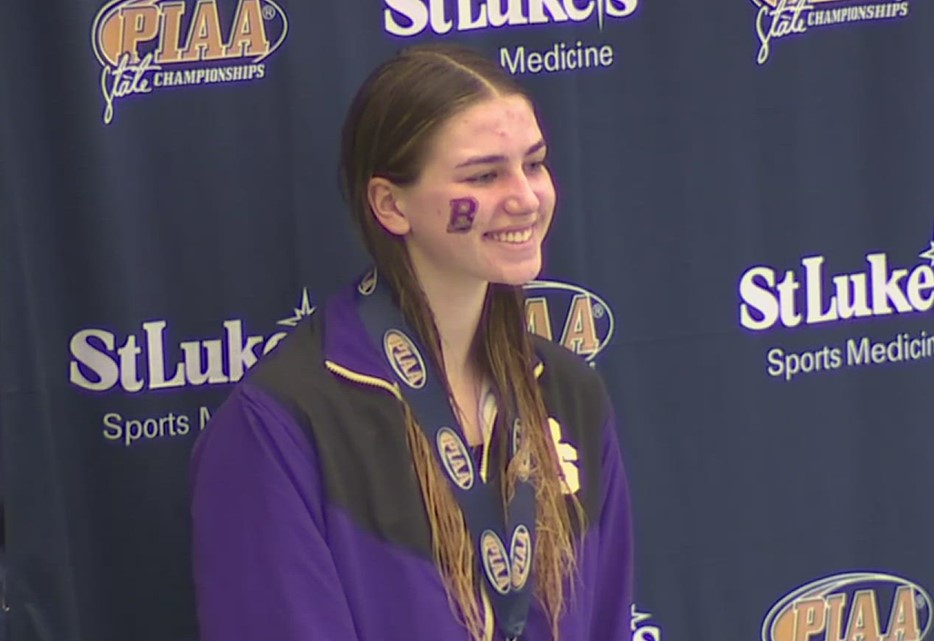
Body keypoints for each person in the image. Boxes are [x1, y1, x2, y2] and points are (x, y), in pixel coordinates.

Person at [188, 43, 634, 641]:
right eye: (484, 174)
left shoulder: (569, 391)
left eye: (534, 163)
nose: (525, 196)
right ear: (391, 204)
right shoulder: (283, 424)